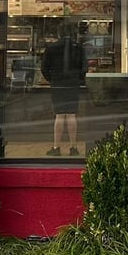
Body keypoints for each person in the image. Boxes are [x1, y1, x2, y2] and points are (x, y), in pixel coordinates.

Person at [41, 23, 84, 156]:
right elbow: (84, 68)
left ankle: (56, 147)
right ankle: (73, 147)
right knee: (71, 115)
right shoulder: (78, 47)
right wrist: (78, 80)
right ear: (72, 33)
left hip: (57, 84)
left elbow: (44, 68)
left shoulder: (51, 48)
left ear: (59, 34)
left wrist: (52, 79)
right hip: (73, 84)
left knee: (59, 115)